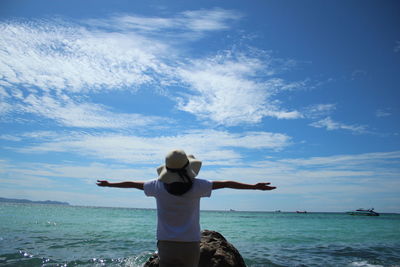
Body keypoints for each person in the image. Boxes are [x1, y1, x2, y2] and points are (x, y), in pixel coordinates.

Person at [96, 149, 276, 267]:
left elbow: (132, 184)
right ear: (187, 167)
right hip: (190, 243)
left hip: (166, 243)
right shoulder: (198, 185)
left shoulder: (156, 186)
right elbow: (227, 183)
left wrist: (110, 184)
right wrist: (254, 186)